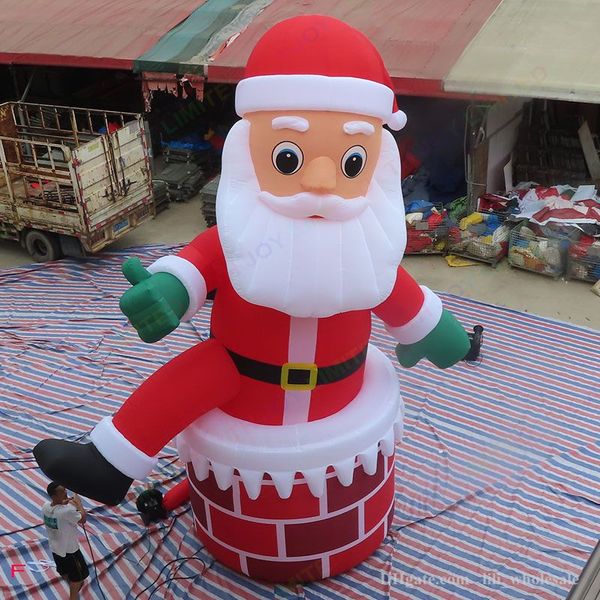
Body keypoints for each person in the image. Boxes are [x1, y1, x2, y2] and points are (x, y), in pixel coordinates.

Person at [33, 15, 471, 506]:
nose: (322, 184)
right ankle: (110, 462)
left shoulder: (368, 250)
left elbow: (405, 301)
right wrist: (167, 293)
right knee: (194, 374)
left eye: (350, 163)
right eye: (290, 159)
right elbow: (195, 269)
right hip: (241, 380)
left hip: (340, 391)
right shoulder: (243, 236)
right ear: (251, 153)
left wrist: (446, 338)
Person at [42, 482, 89, 599]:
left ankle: (71, 582)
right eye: (62, 492)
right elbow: (83, 519)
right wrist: (79, 504)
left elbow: (56, 511)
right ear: (54, 496)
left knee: (65, 571)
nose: (65, 492)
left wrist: (62, 503)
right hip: (70, 551)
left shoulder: (45, 506)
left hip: (55, 548)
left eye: (65, 490)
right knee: (78, 579)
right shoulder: (66, 512)